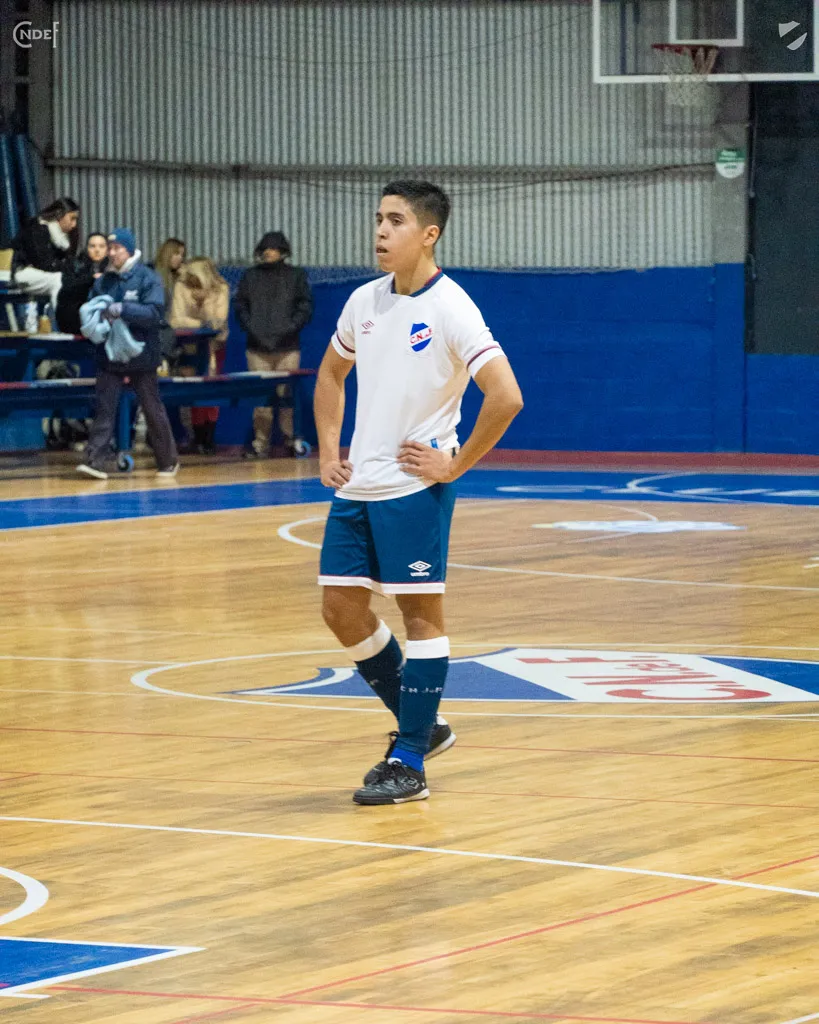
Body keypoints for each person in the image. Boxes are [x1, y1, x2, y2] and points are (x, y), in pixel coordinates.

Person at [314, 181, 523, 806]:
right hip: (358, 486)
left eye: (396, 221)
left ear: (429, 234)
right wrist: (328, 451)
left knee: (421, 618)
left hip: (413, 488)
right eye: (379, 218)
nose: (381, 231)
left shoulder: (453, 308)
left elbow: (506, 396)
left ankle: (408, 762)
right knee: (340, 610)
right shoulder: (364, 301)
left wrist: (454, 465)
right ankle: (423, 726)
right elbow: (331, 373)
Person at [76, 228, 179, 480]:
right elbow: (92, 305)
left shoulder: (147, 278)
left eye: (117, 248)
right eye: (109, 249)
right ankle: (95, 461)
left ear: (129, 250)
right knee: (104, 407)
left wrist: (124, 309)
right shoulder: (104, 281)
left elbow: (154, 313)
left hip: (142, 354)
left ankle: (168, 461)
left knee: (151, 407)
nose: (111, 253)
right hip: (110, 355)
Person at [235, 231, 313, 456]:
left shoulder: (296, 276)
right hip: (257, 347)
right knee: (261, 399)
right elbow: (240, 306)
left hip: (287, 347)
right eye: (265, 248)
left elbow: (305, 306)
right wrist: (252, 329)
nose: (268, 252)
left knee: (286, 395)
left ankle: (289, 440)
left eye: (273, 248)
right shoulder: (250, 276)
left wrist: (290, 328)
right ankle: (260, 444)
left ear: (283, 251)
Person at [169, 256, 230, 453]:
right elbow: (176, 320)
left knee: (211, 389)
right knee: (190, 389)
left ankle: (209, 436)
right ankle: (195, 435)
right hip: (189, 345)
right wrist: (200, 325)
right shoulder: (181, 286)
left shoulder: (220, 288)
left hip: (214, 346)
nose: (191, 280)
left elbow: (218, 321)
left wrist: (202, 304)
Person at [11, 197, 80, 310]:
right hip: (23, 271)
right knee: (60, 281)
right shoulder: (37, 229)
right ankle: (62, 319)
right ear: (59, 215)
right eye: (72, 218)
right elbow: (43, 263)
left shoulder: (63, 237)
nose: (74, 224)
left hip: (43, 274)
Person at [55, 232, 109, 334]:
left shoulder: (112, 267)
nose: (97, 250)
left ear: (107, 250)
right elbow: (67, 287)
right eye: (92, 246)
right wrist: (91, 279)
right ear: (86, 248)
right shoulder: (74, 264)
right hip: (77, 314)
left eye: (101, 246)